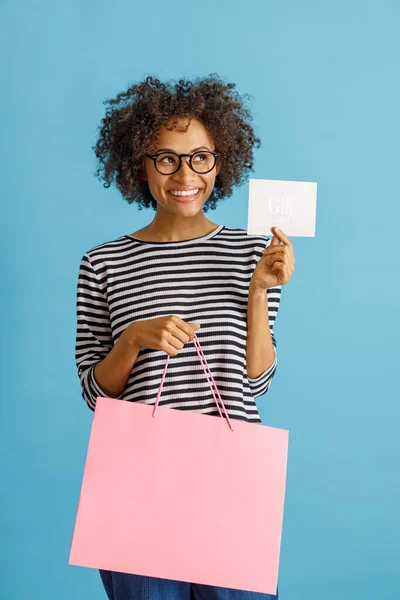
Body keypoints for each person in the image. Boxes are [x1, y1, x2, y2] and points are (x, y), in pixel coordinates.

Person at [75, 74, 295, 600]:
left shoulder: (251, 254)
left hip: (232, 482)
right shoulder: (102, 263)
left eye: (200, 157)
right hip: (137, 485)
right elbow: (93, 393)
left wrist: (260, 290)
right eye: (166, 158)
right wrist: (131, 340)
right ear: (140, 164)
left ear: (220, 162)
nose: (185, 174)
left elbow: (256, 381)